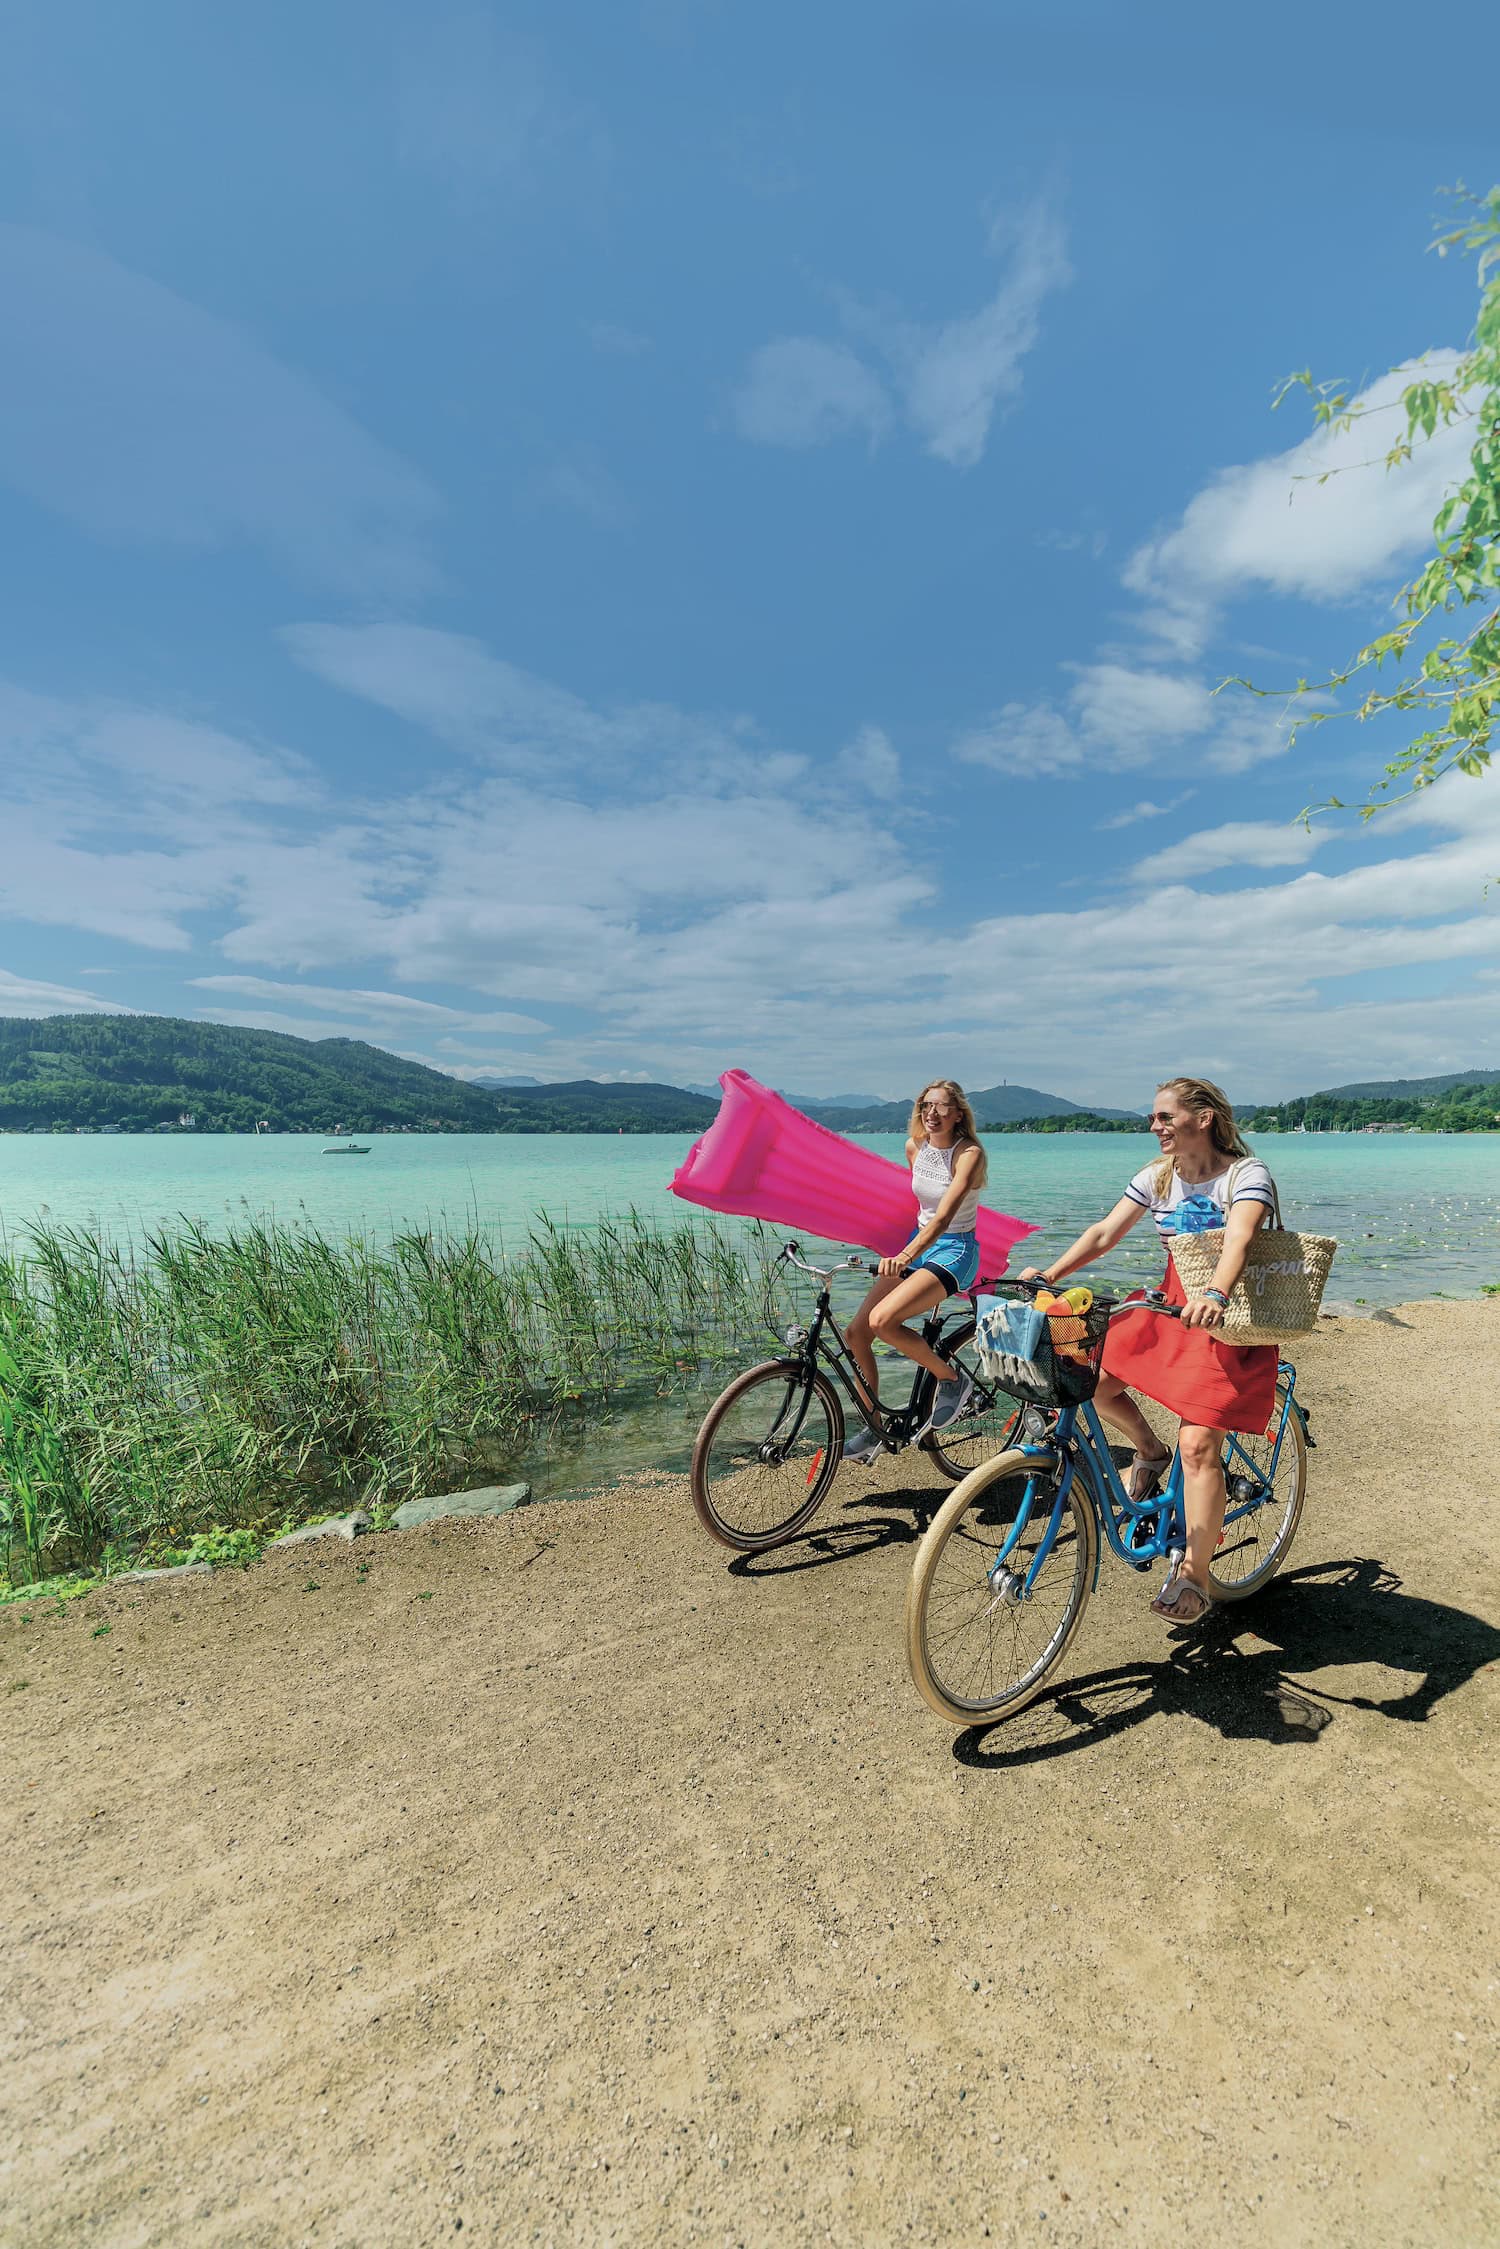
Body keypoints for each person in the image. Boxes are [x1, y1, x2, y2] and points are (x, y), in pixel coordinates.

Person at [1022, 1076, 1280, 1625]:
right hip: (1171, 1306)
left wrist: (1216, 1291)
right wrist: (1049, 1273)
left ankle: (1195, 1574)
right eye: (1153, 1118)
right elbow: (1103, 1234)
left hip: (1227, 1313)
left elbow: (1239, 1238)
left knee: (1200, 1447)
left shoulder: (1244, 1174)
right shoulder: (1158, 1177)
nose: (1154, 1126)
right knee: (1088, 1376)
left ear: (1203, 1117)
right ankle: (1147, 1449)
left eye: (1165, 1116)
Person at [842, 1079, 985, 1462]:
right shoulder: (915, 1148)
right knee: (856, 1333)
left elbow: (941, 1219)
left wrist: (904, 1256)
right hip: (918, 1244)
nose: (931, 1113)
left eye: (941, 1107)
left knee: (883, 1320)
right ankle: (874, 1427)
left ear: (958, 1115)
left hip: (954, 1250)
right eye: (926, 1105)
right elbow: (920, 1210)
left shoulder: (968, 1154)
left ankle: (953, 1380)